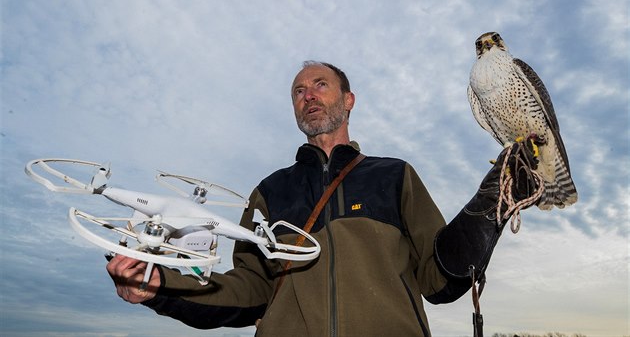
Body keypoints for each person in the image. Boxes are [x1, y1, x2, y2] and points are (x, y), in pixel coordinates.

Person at [107, 61, 538, 336]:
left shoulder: (394, 176)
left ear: (348, 101)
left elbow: (439, 281)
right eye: (298, 91)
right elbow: (249, 291)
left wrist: (490, 207)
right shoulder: (270, 191)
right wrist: (160, 287)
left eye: (320, 84)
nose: (308, 95)